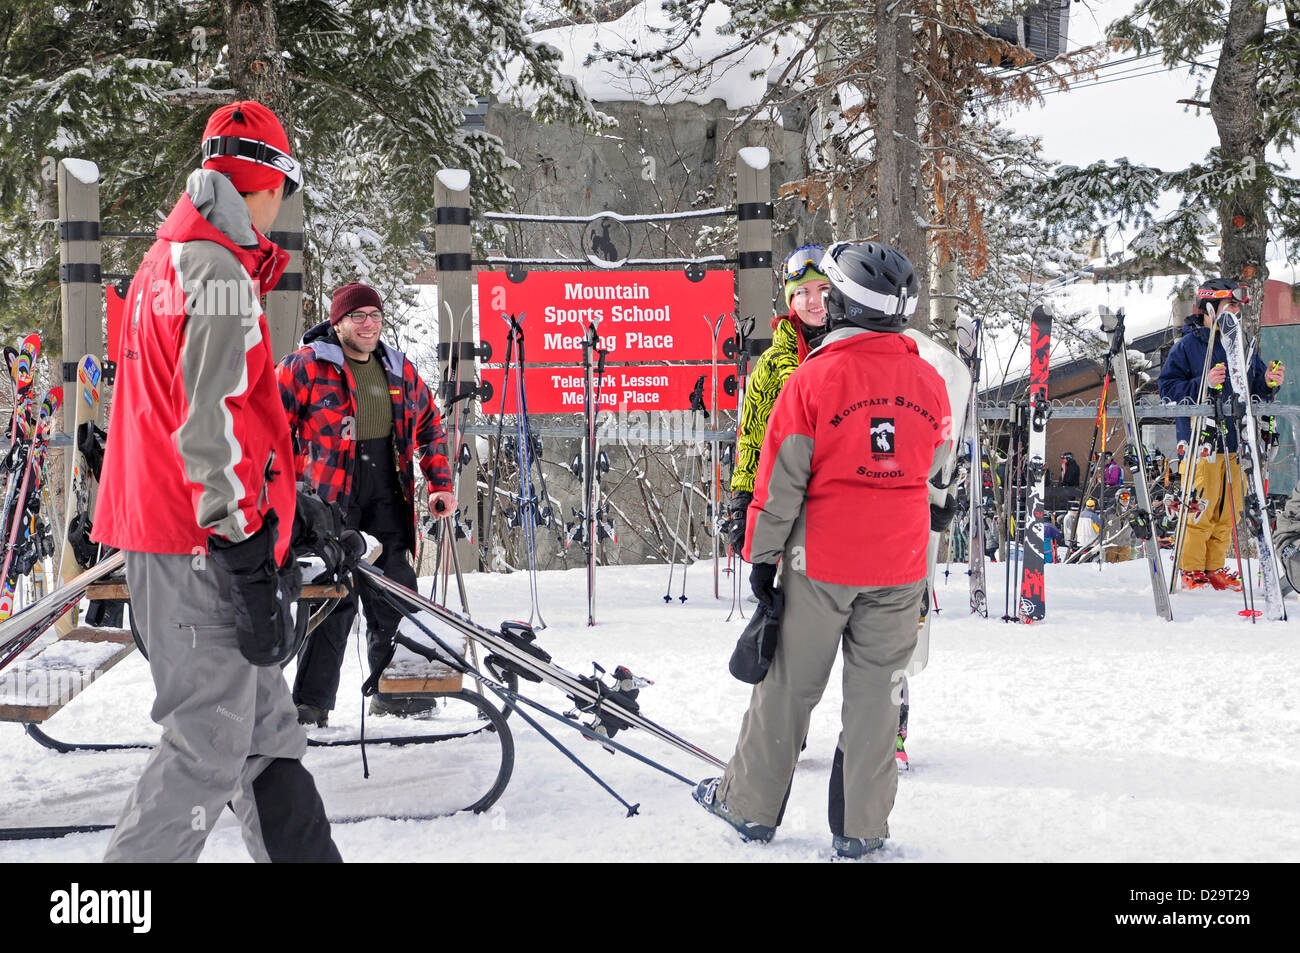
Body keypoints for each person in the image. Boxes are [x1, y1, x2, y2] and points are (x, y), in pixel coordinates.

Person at [93, 101, 340, 862]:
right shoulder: (219, 270)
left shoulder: (166, 257)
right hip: (199, 540)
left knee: (263, 734)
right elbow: (213, 425)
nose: (277, 213)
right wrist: (244, 547)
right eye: (282, 191)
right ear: (266, 182)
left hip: (168, 529)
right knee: (208, 743)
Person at [695, 241, 952, 859]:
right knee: (878, 699)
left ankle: (749, 808)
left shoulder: (814, 378)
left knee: (787, 688)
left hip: (822, 567)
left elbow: (778, 484)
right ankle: (862, 829)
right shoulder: (931, 381)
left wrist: (761, 558)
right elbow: (938, 475)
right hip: (899, 567)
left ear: (841, 304)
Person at [278, 282, 456, 725]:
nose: (368, 324)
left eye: (374, 315)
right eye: (357, 316)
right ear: (337, 323)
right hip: (329, 502)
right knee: (334, 599)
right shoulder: (306, 366)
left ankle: (398, 693)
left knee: (396, 592)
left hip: (387, 494)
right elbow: (268, 427)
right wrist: (278, 489)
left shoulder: (398, 369)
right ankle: (311, 705)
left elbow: (431, 426)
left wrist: (439, 483)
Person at [1158, 277, 1284, 591]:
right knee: (1200, 506)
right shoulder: (1188, 346)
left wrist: (1268, 381)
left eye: (1236, 308)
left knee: (1229, 509)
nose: (1235, 314)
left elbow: (1253, 389)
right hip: (1202, 441)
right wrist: (1203, 381)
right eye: (1229, 306)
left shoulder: (1240, 343)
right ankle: (1190, 568)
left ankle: (1213, 566)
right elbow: (1168, 389)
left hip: (1236, 442)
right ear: (1209, 308)